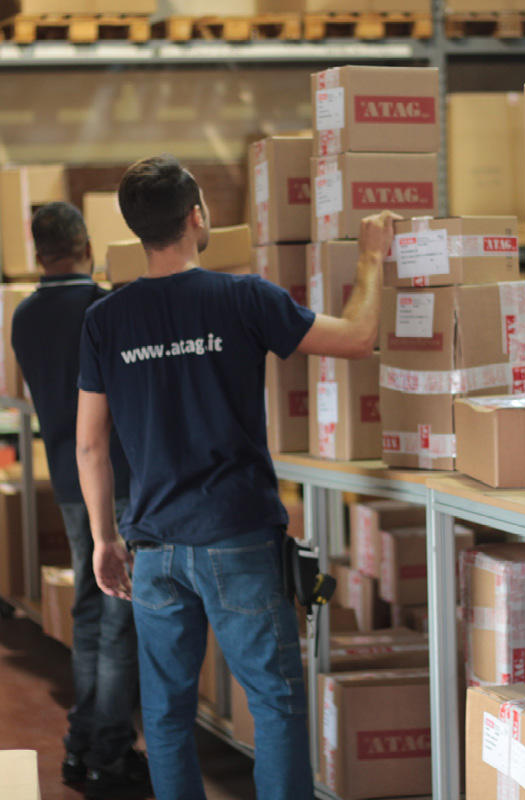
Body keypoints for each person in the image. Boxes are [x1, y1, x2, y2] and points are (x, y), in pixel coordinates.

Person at [75, 155, 396, 800]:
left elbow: (90, 445)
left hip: (154, 546)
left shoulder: (105, 320)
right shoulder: (243, 298)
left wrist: (104, 539)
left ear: (138, 229)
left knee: (166, 714)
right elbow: (359, 338)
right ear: (198, 217)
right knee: (273, 703)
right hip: (237, 538)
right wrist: (370, 257)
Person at [11, 203, 150, 799]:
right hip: (116, 478)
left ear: (37, 252)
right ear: (87, 246)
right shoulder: (105, 306)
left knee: (91, 613)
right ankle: (108, 755)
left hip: (70, 483)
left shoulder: (23, 316)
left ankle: (82, 744)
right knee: (119, 619)